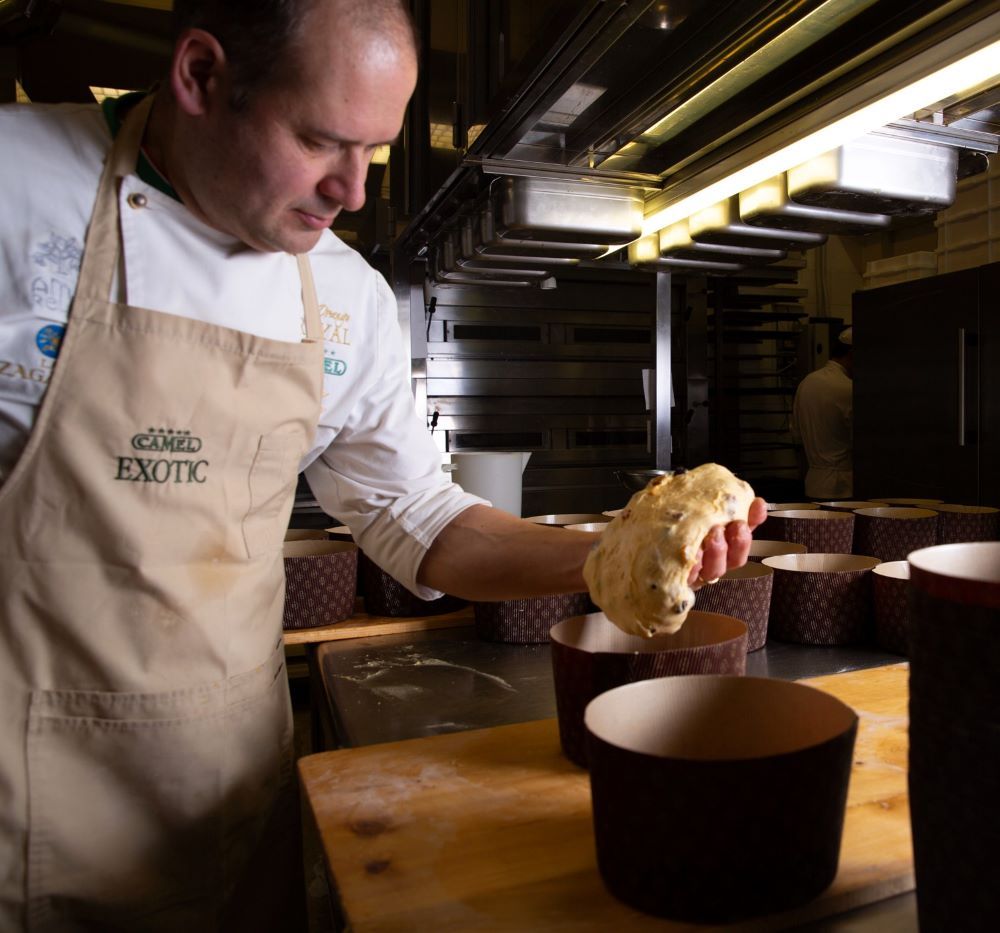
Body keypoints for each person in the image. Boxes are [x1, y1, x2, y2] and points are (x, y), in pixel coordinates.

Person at [0, 1, 766, 928]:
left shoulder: (343, 294)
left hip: (228, 800)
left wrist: (621, 555)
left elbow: (418, 516)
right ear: (199, 76)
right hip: (22, 813)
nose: (353, 193)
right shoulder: (16, 187)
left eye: (376, 151)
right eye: (322, 140)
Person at [791, 326, 854, 499]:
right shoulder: (848, 389)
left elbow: (796, 437)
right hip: (843, 488)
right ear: (851, 354)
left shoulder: (807, 382)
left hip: (812, 485)